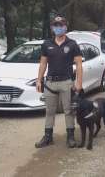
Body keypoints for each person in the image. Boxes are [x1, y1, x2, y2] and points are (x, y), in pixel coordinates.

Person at [35, 16, 83, 148]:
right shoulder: (47, 44)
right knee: (49, 111)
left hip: (66, 82)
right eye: (55, 25)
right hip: (50, 83)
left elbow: (79, 64)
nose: (58, 28)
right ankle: (48, 137)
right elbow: (43, 63)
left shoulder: (72, 44)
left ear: (65, 27)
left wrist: (79, 83)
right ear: (52, 28)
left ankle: (71, 137)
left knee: (68, 111)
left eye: (60, 25)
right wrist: (39, 80)